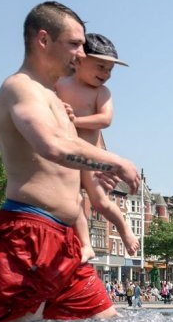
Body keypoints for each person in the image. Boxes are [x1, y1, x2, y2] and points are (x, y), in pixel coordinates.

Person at [0, 1, 140, 322]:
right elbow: (50, 145)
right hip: (28, 234)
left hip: (66, 240)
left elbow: (72, 146)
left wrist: (96, 165)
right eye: (74, 44)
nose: (81, 54)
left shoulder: (54, 97)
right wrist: (116, 162)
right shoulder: (20, 88)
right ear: (43, 40)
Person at [55, 33, 139, 262]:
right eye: (100, 66)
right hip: (67, 156)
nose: (105, 74)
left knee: (100, 201)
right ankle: (86, 244)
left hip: (91, 158)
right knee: (74, 199)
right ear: (79, 59)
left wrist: (75, 121)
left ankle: (123, 227)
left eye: (110, 70)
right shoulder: (60, 83)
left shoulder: (101, 92)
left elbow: (105, 120)